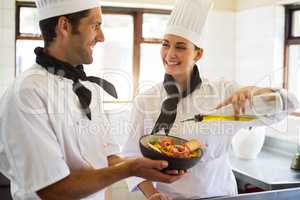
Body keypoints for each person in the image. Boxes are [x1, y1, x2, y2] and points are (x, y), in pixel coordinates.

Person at [0, 0, 184, 199]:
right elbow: (51, 190)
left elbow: (107, 158)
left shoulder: (88, 89)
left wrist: (151, 166)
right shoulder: (26, 94)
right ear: (64, 26)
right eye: (95, 25)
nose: (102, 37)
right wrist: (131, 168)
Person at [122, 0, 299, 199]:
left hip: (220, 195)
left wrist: (255, 91)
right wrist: (152, 194)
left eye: (180, 47)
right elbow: (130, 156)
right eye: (166, 45)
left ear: (198, 53)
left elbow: (290, 103)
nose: (170, 54)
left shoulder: (223, 92)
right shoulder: (145, 101)